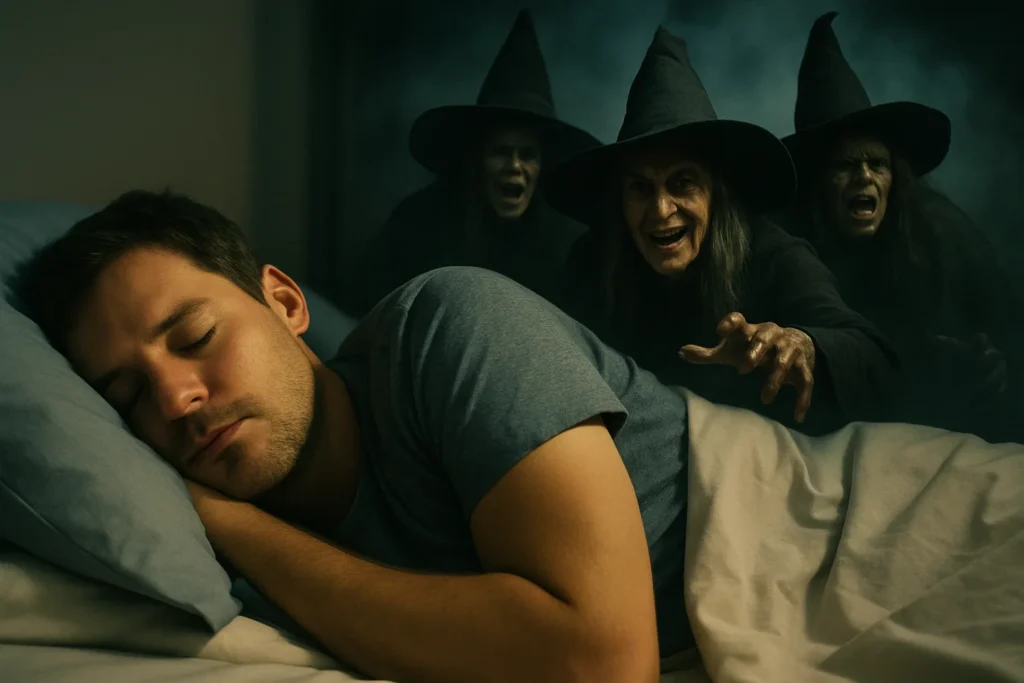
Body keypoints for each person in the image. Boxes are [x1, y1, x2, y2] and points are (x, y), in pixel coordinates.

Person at [21, 189, 701, 683]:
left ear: (285, 302)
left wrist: (232, 523)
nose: (174, 399)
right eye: (129, 395)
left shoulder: (450, 324)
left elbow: (602, 663)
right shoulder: (225, 579)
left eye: (196, 337)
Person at [546, 27, 898, 435]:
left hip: (759, 451)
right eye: (640, 188)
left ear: (716, 194)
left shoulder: (774, 255)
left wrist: (802, 343)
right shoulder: (591, 261)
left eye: (682, 183)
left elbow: (877, 362)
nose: (660, 211)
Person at [775, 11, 1023, 441]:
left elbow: (1010, 331)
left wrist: (998, 368)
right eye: (846, 165)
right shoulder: (786, 243)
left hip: (950, 431)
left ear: (895, 176)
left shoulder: (941, 232)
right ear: (816, 182)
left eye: (878, 164)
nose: (865, 178)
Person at [356, 10, 600, 316]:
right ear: (477, 160)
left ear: (542, 165)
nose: (515, 166)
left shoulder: (569, 244)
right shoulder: (417, 224)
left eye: (527, 155)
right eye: (501, 152)